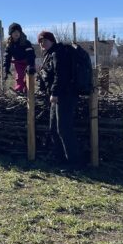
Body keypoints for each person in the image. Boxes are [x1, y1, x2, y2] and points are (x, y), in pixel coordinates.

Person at [37, 31, 82, 168]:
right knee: (54, 129)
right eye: (40, 41)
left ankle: (74, 163)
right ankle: (61, 160)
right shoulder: (50, 54)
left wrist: (55, 93)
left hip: (65, 96)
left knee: (64, 129)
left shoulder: (58, 53)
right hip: (57, 96)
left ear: (52, 40)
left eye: (44, 40)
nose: (42, 43)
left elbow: (61, 75)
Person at [3, 23, 36, 93]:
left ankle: (29, 91)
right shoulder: (9, 45)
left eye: (18, 32)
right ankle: (19, 90)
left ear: (20, 33)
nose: (16, 33)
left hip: (27, 61)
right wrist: (6, 69)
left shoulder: (26, 43)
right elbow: (7, 57)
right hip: (18, 63)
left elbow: (31, 54)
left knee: (29, 76)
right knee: (20, 76)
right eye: (14, 32)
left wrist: (31, 65)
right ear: (11, 33)